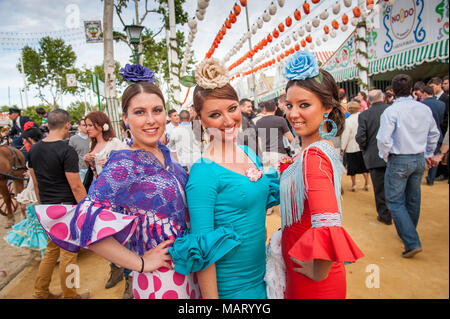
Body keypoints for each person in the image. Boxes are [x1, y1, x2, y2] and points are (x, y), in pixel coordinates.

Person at [34, 66, 201, 299]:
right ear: (125, 119)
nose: (151, 120)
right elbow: (84, 224)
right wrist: (140, 262)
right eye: (140, 112)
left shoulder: (167, 154)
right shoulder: (124, 165)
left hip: (190, 269)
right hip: (161, 281)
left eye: (157, 110)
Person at [169, 57, 280, 299]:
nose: (229, 121)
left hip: (264, 275)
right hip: (232, 289)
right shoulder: (203, 172)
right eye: (215, 114)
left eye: (232, 109)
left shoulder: (249, 153)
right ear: (201, 120)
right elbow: (203, 251)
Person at [279, 50, 364, 299]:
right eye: (290, 105)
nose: (293, 114)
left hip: (313, 281)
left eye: (304, 105)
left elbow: (327, 221)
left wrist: (317, 270)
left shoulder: (314, 156)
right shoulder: (316, 150)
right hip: (307, 271)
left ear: (327, 107)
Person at [28, 109, 89, 299]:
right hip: (66, 208)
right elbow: (76, 186)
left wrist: (41, 205)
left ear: (47, 125)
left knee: (51, 251)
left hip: (46, 207)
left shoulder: (34, 149)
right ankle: (70, 295)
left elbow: (36, 183)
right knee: (69, 253)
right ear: (66, 125)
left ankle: (41, 292)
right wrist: (86, 209)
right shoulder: (66, 150)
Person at [377, 74, 440, 258]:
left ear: (393, 92)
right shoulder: (423, 109)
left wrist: (386, 156)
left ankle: (411, 239)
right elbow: (434, 133)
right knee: (413, 198)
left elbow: (383, 139)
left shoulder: (391, 111)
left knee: (395, 201)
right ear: (412, 88)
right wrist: (428, 152)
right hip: (419, 157)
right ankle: (409, 232)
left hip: (399, 158)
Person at [355, 89, 392, 225]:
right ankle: (395, 213)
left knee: (380, 188)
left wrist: (365, 148)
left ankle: (384, 215)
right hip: (393, 154)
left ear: (369, 100)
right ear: (382, 97)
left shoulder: (365, 115)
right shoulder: (391, 110)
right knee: (395, 186)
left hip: (374, 156)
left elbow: (360, 137)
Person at [83, 111, 127, 180]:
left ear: (101, 125)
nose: (87, 128)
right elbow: (93, 170)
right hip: (97, 186)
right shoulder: (92, 144)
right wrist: (87, 161)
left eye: (90, 125)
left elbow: (126, 165)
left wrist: (110, 163)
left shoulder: (114, 143)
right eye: (86, 125)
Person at [256, 100, 294, 175]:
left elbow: (259, 141)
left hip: (266, 154)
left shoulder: (259, 122)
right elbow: (290, 138)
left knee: (270, 179)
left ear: (264, 109)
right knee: (281, 178)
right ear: (276, 108)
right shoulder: (280, 120)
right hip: (279, 153)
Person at [420, 85, 446, 185]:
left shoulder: (421, 104)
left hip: (423, 134)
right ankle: (431, 179)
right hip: (437, 133)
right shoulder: (442, 104)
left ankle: (419, 175)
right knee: (434, 156)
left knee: (421, 156)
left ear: (425, 93)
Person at [341, 101, 369, 192]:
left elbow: (346, 135)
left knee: (352, 168)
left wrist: (343, 147)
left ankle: (354, 185)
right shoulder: (364, 117)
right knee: (364, 166)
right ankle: (367, 183)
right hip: (362, 146)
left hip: (351, 147)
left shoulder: (348, 121)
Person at [428, 76, 449, 181]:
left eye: (433, 86)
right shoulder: (435, 98)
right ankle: (439, 173)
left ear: (438, 85)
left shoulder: (446, 98)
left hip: (443, 130)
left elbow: (446, 117)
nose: (431, 88)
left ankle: (444, 173)